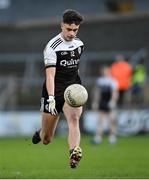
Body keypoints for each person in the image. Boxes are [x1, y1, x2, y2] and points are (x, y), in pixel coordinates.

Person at [32, 9, 84, 168]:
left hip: (72, 90)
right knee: (47, 139)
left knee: (74, 120)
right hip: (53, 90)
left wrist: (78, 88)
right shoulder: (52, 47)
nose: (72, 33)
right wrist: (52, 98)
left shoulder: (80, 45)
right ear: (62, 25)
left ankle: (73, 153)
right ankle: (41, 132)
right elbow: (50, 76)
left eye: (75, 30)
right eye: (69, 29)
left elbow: (76, 68)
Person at [91, 66, 119, 144]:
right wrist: (95, 102)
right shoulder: (100, 81)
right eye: (103, 71)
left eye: (106, 71)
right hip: (102, 102)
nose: (104, 72)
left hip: (109, 101)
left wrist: (113, 101)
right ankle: (98, 137)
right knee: (100, 120)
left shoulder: (112, 81)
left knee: (111, 120)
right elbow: (97, 93)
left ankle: (112, 137)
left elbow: (114, 92)